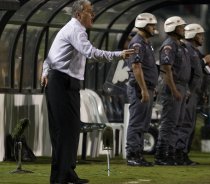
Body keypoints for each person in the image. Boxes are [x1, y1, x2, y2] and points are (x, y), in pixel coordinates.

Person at [41, 0, 134, 183]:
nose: (93, 15)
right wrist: (118, 54)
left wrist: (45, 71)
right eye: (90, 12)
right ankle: (59, 178)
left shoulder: (72, 29)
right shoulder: (76, 30)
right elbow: (90, 52)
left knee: (70, 130)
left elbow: (50, 57)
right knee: (63, 131)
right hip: (61, 83)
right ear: (78, 14)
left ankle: (68, 173)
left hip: (66, 83)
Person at [175, 23, 210, 165]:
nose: (202, 38)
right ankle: (179, 154)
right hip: (188, 93)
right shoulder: (186, 49)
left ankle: (184, 154)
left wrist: (204, 91)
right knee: (185, 124)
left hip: (195, 93)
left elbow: (201, 73)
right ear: (192, 34)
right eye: (200, 35)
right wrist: (205, 60)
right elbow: (188, 69)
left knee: (190, 125)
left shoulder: (195, 52)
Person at [154, 16, 191, 166]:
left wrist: (184, 89)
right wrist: (174, 89)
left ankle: (171, 153)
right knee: (169, 123)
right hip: (172, 86)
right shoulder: (169, 45)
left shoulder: (180, 45)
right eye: (181, 27)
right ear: (173, 29)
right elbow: (166, 69)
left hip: (181, 86)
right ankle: (161, 154)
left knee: (177, 123)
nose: (183, 30)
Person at [126, 13, 158, 167]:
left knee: (143, 123)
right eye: (152, 25)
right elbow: (136, 67)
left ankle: (138, 154)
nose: (154, 28)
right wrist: (144, 90)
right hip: (139, 88)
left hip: (147, 87)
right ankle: (132, 155)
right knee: (137, 122)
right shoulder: (137, 43)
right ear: (144, 25)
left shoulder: (145, 43)